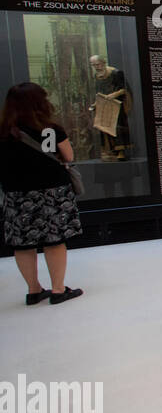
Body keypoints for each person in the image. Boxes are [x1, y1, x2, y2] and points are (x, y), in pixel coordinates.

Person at [0, 83, 84, 304]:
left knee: (23, 243)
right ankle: (58, 290)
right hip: (52, 191)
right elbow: (68, 155)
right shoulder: (50, 129)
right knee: (54, 240)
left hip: (16, 193)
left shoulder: (4, 131)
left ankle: (33, 290)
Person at [88, 55, 131, 161]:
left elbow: (124, 89)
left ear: (103, 62)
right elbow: (99, 92)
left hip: (116, 104)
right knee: (104, 128)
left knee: (117, 127)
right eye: (94, 65)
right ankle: (110, 151)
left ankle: (120, 151)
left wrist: (113, 95)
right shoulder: (96, 76)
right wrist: (95, 103)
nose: (97, 67)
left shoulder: (116, 73)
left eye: (97, 64)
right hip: (104, 105)